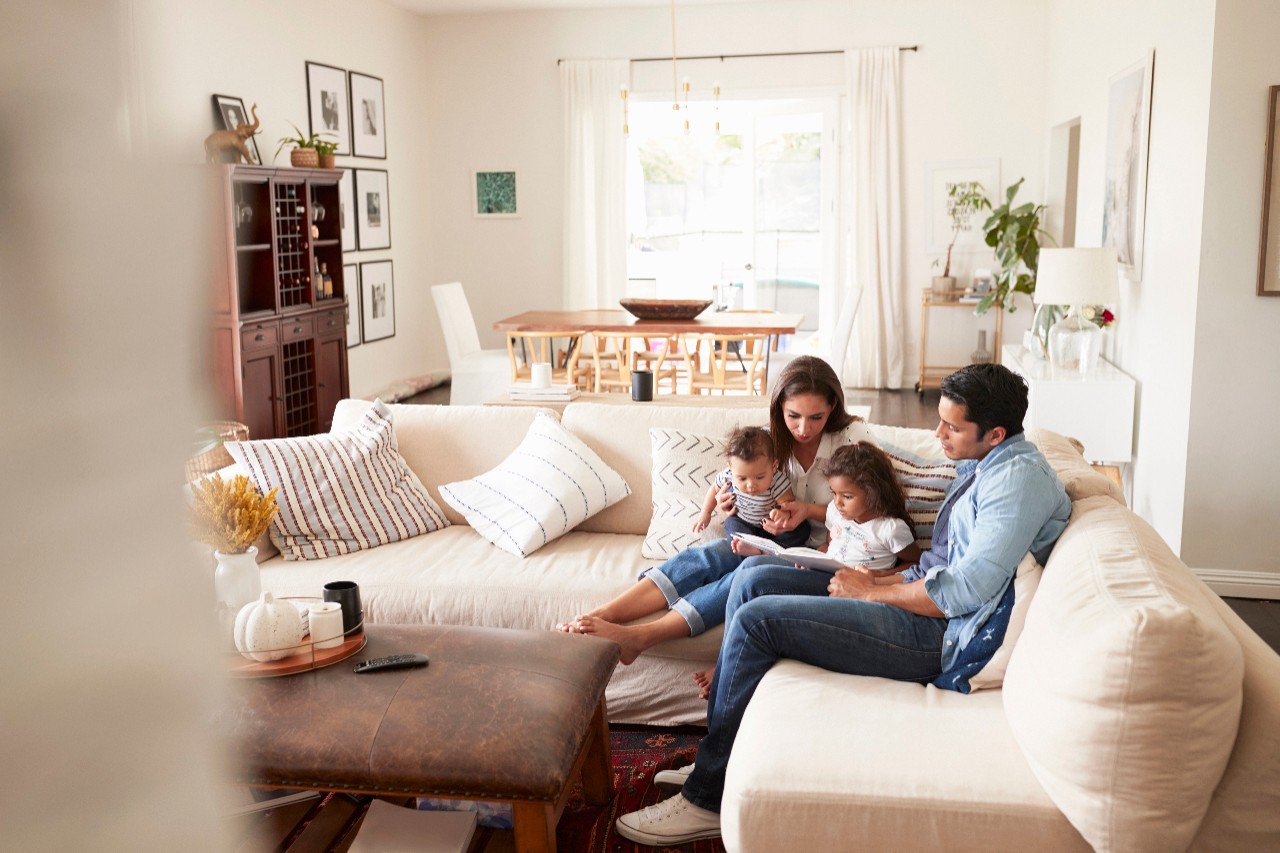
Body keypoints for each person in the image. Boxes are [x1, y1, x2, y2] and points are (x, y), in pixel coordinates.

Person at [614, 362, 1072, 846]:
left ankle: (706, 797)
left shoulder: (1014, 482)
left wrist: (872, 590)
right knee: (753, 575)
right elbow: (942, 565)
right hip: (910, 591)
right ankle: (717, 758)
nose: (937, 433)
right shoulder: (987, 461)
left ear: (996, 432)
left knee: (754, 622)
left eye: (952, 427)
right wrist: (878, 576)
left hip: (939, 636)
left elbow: (963, 593)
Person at [556, 355, 868, 664]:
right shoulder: (767, 441)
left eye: (817, 417)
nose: (803, 428)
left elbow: (872, 505)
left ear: (833, 408)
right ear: (779, 408)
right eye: (793, 415)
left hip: (822, 557)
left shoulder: (851, 439)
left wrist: (807, 511)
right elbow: (735, 484)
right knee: (709, 555)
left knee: (743, 575)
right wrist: (723, 504)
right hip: (767, 541)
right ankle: (599, 615)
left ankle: (640, 638)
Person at [690, 440, 919, 701]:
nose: (837, 503)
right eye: (834, 494)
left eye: (847, 496)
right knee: (750, 570)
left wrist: (876, 579)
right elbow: (832, 544)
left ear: (873, 492)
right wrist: (816, 556)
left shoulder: (889, 529)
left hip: (851, 590)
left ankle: (728, 668)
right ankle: (728, 660)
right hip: (823, 573)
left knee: (757, 593)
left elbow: (915, 563)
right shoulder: (836, 513)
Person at [694, 426, 806, 550]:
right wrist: (706, 512)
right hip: (743, 523)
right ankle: (749, 547)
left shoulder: (777, 481)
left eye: (759, 477)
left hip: (772, 529)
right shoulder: (728, 476)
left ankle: (767, 550)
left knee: (802, 529)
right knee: (731, 524)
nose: (751, 485)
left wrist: (782, 515)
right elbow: (714, 489)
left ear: (773, 467)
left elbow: (788, 503)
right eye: (742, 478)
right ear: (731, 468)